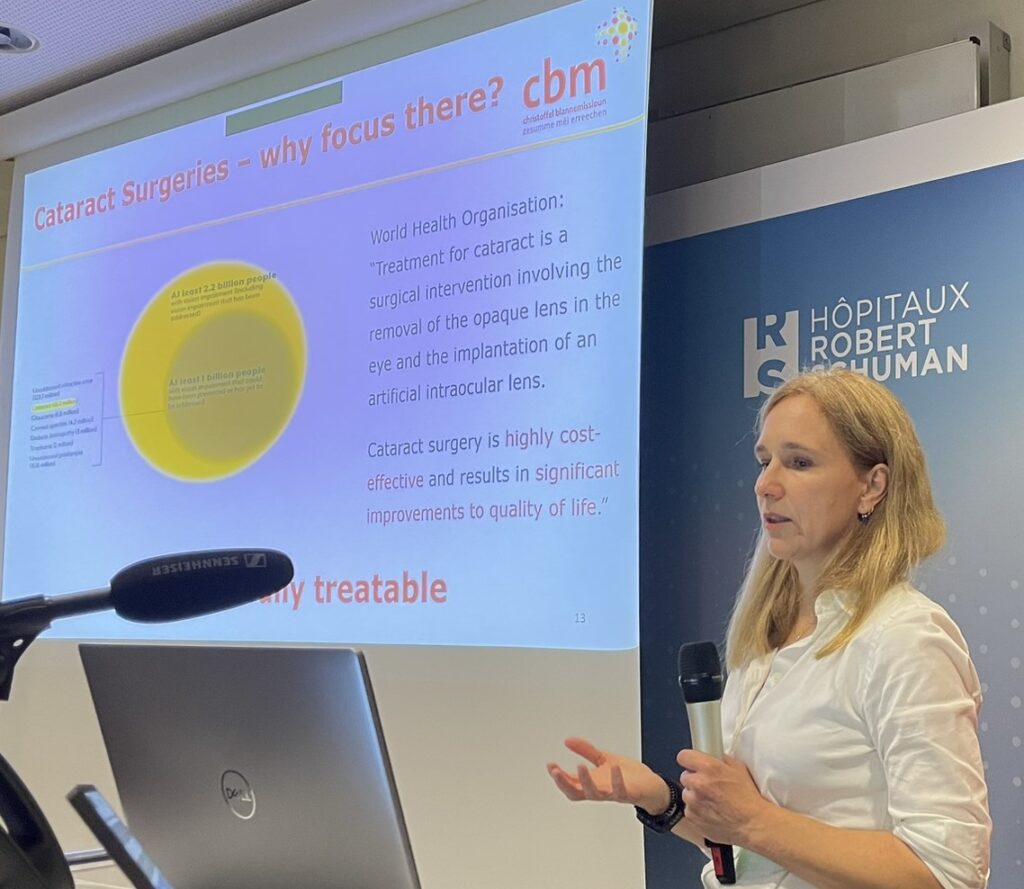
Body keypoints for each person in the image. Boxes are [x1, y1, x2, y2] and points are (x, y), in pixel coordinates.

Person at [547, 368, 991, 889]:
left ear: (872, 486)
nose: (765, 485)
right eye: (764, 461)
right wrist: (660, 798)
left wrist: (753, 819)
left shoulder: (905, 638)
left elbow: (947, 873)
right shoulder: (767, 638)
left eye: (799, 463)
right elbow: (755, 852)